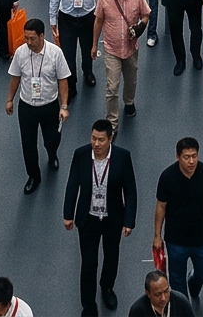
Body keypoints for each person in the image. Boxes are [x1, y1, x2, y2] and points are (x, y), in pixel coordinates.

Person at [63, 117, 138, 317]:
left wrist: (129, 221)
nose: (96, 144)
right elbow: (72, 185)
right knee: (88, 262)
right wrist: (67, 214)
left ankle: (106, 287)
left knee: (111, 256)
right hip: (88, 219)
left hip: (112, 218)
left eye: (101, 140)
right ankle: (88, 303)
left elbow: (130, 190)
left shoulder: (122, 157)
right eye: (93, 138)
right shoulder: (81, 155)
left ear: (110, 139)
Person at [153, 138, 203, 306]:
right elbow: (161, 206)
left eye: (194, 156)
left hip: (202, 238)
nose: (191, 161)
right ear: (178, 157)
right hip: (176, 241)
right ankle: (184, 309)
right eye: (186, 157)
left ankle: (194, 281)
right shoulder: (167, 177)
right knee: (177, 283)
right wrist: (157, 235)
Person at [6, 16, 71, 192]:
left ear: (42, 36)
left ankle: (52, 154)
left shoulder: (55, 53)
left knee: (52, 139)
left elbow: (63, 80)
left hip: (49, 105)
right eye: (26, 38)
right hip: (27, 106)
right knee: (28, 145)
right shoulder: (20, 53)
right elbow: (15, 77)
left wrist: (64, 106)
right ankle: (34, 176)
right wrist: (10, 99)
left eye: (32, 38)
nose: (28, 42)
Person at [95, 0, 149, 125]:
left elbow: (146, 14)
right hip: (111, 49)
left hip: (131, 49)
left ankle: (129, 101)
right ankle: (112, 120)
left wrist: (141, 26)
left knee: (131, 80)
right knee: (112, 87)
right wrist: (94, 44)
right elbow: (98, 21)